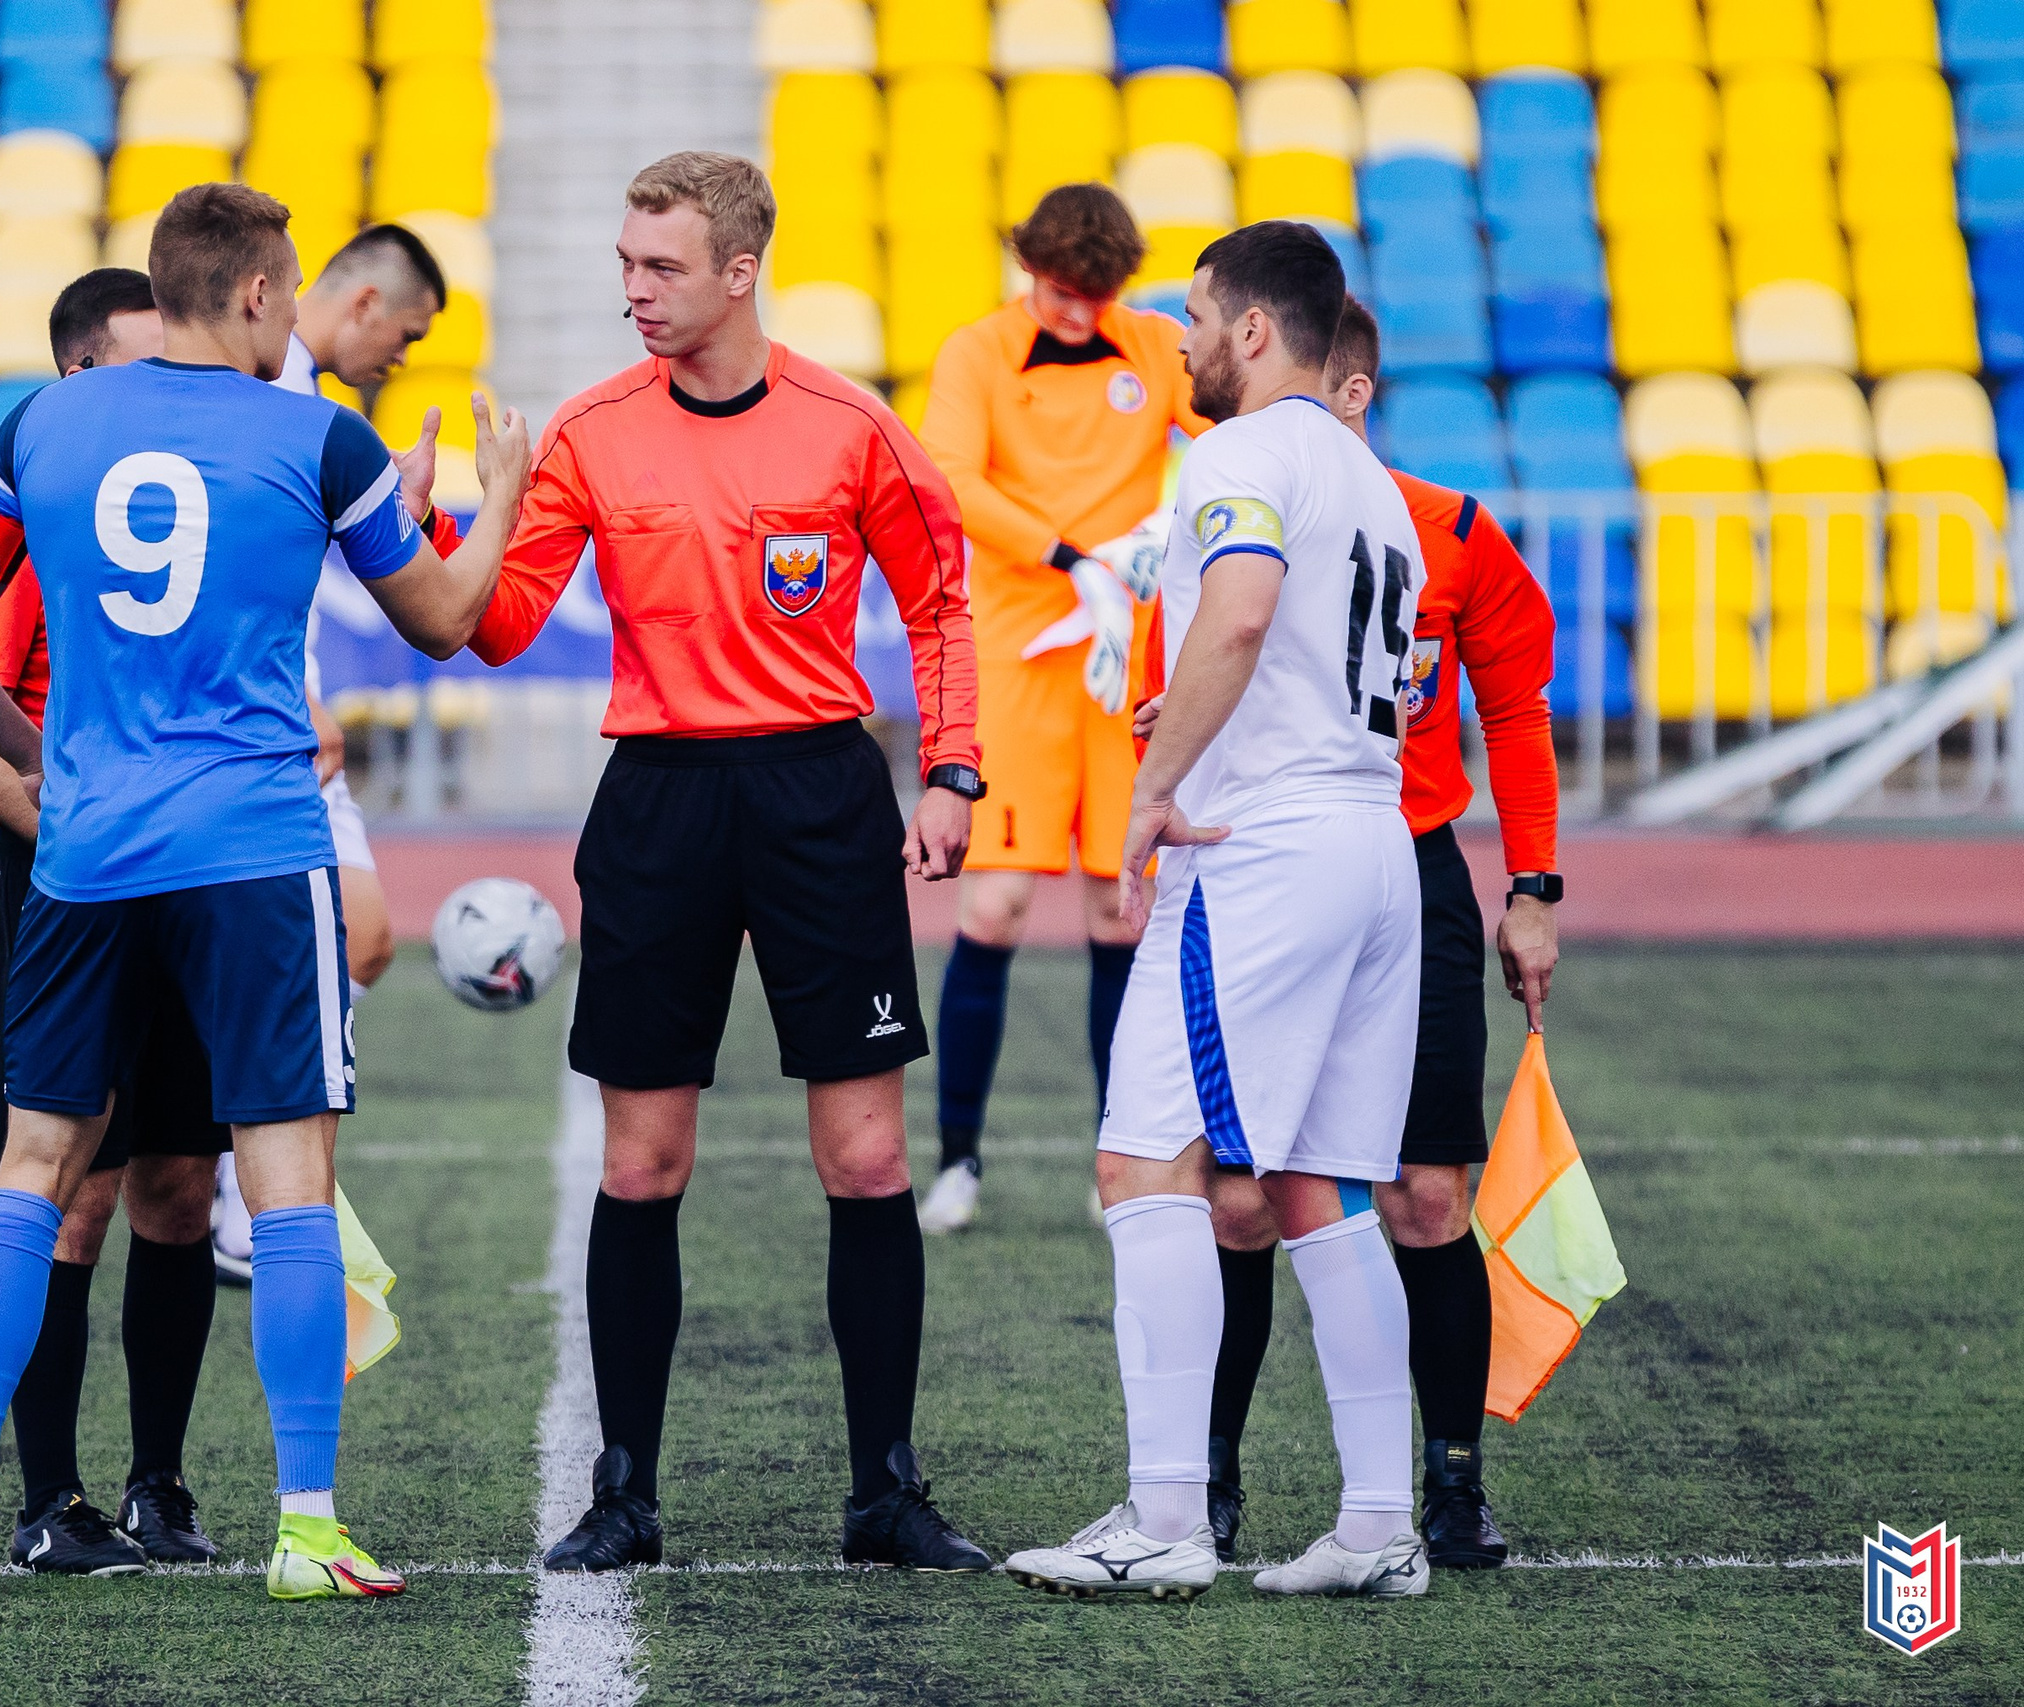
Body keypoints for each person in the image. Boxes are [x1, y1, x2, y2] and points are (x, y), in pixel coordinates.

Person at [0, 182, 533, 1601]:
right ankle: (307, 1525)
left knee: (34, 1170)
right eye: (287, 293)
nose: (292, 315)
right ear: (252, 295)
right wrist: (507, 504)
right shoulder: (317, 433)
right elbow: (443, 620)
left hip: (89, 849)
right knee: (287, 1182)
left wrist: (44, 761)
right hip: (250, 850)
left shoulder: (41, 424)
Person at [462, 152, 990, 1573]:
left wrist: (950, 770)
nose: (633, 291)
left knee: (868, 1156)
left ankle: (887, 1489)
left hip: (822, 793)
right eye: (626, 264)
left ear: (739, 271)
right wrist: (489, 509)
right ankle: (623, 1492)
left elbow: (941, 600)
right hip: (661, 799)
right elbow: (496, 627)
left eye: (662, 268)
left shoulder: (847, 425)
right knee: (643, 1163)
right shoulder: (586, 430)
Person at [1002, 221, 1432, 1602]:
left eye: (1192, 316)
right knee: (1321, 1191)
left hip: (1265, 845)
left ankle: (1166, 1512)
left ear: (1252, 327)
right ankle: (1380, 1523)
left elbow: (1240, 617)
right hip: (1375, 841)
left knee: (1143, 1163)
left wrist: (1154, 785)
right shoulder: (1371, 478)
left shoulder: (1240, 451)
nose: (1177, 342)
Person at [1180, 296, 1560, 1571]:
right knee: (1236, 1202)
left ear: (1354, 392)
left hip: (1409, 875)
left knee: (1424, 1195)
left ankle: (1451, 1484)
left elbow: (1513, 709)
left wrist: (1535, 888)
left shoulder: (1449, 528)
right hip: (1257, 874)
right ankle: (1210, 1481)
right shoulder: (1224, 515)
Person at [0, 268, 220, 1576]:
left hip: (193, 886)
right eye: (128, 371)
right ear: (71, 380)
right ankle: (49, 1498)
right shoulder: (48, 521)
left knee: (181, 1182)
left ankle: (160, 1483)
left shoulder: (174, 506)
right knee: (68, 1187)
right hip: (71, 886)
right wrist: (90, 837)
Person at [913, 184, 1213, 1235]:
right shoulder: (977, 352)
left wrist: (1160, 533)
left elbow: (1229, 433)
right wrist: (1067, 558)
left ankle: (1113, 1156)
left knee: (1112, 910)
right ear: (1026, 268)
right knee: (990, 909)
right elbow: (949, 477)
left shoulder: (1153, 343)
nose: (1076, 313)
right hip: (1014, 660)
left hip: (1125, 667)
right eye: (1058, 290)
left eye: (1095, 294)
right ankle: (957, 1160)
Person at [211, 223, 461, 1284]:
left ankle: (249, 1190)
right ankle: (247, 1195)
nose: (396, 360)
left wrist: (401, 514)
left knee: (363, 940)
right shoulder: (278, 396)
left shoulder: (317, 405)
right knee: (337, 939)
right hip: (258, 723)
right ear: (360, 305)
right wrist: (298, 694)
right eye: (400, 338)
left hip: (286, 717)